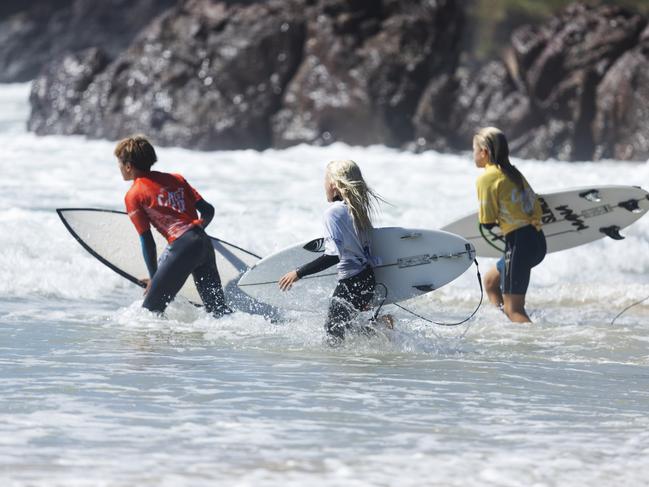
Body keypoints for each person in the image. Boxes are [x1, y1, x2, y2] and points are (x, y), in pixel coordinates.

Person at [115, 135, 229, 317]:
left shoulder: (134, 195)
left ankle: (155, 346)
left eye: (119, 163)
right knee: (219, 313)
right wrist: (195, 236)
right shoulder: (176, 179)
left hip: (182, 247)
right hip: (203, 243)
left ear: (128, 166)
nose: (119, 168)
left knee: (149, 314)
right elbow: (208, 211)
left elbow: (148, 242)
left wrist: (154, 278)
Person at [278, 160, 382, 343]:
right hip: (367, 279)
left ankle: (379, 326)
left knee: (333, 334)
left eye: (326, 179)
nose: (324, 184)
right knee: (343, 329)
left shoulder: (333, 213)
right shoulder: (358, 210)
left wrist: (298, 273)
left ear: (334, 184)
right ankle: (379, 326)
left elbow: (333, 255)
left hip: (352, 282)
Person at [473, 127, 546, 323]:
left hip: (518, 244)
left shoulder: (487, 178)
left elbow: (487, 222)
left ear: (484, 152)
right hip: (537, 241)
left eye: (474, 150)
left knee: (515, 309)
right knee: (490, 282)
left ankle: (535, 344)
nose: (473, 155)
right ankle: (510, 332)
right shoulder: (513, 173)